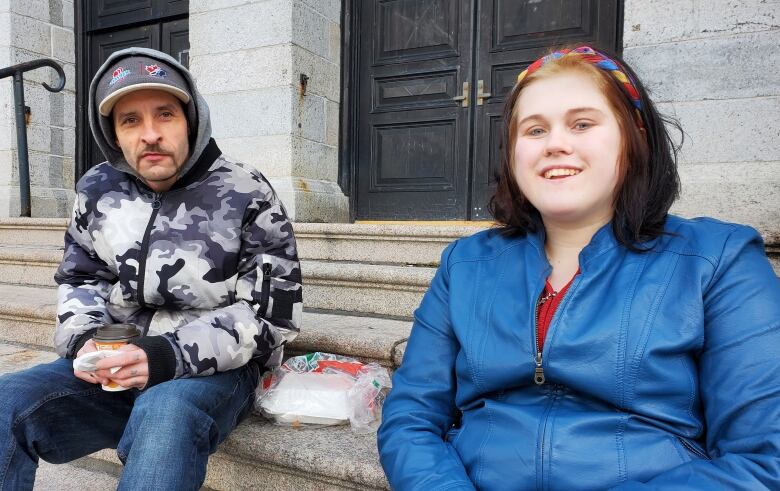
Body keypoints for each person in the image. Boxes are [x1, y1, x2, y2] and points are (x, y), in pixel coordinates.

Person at [377, 46, 780, 490]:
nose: (555, 144)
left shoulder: (718, 260)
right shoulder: (466, 264)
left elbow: (763, 458)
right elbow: (411, 418)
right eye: (534, 130)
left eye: (582, 124)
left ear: (634, 137)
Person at [0, 48, 302, 490]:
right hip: (114, 364)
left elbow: (271, 314)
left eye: (165, 114)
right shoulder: (96, 189)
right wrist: (86, 342)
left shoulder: (246, 191)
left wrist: (164, 356)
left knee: (165, 414)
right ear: (113, 134)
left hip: (215, 370)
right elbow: (81, 278)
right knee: (7, 401)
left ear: (191, 119)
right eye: (130, 121)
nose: (150, 135)